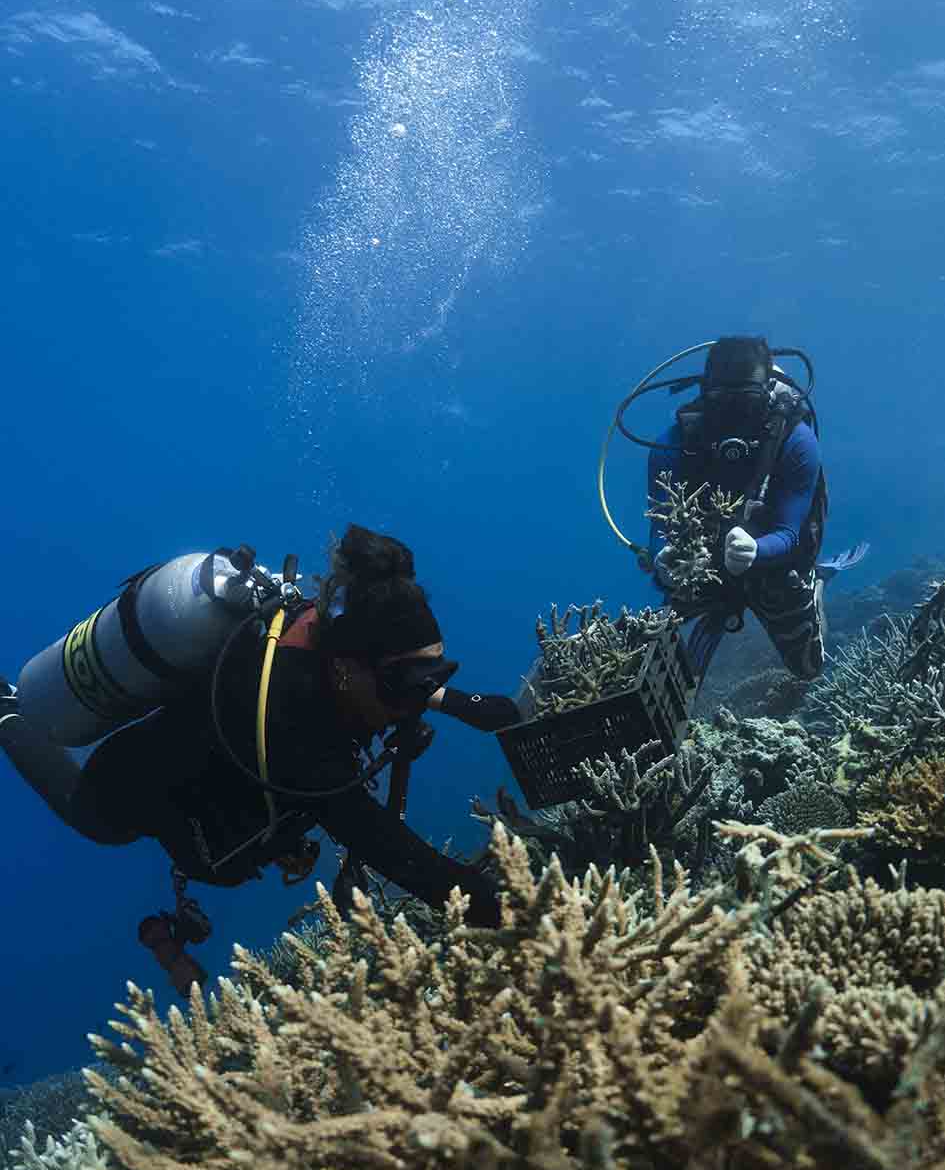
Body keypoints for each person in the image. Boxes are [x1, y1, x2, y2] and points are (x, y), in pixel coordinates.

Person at [0, 526, 520, 991]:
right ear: (345, 668)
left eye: (434, 677)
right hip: (138, 778)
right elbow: (410, 862)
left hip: (229, 752)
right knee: (95, 820)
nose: (416, 699)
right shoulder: (300, 741)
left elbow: (403, 669)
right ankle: (7, 713)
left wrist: (464, 702)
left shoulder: (338, 635)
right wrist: (526, 919)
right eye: (403, 687)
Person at [643, 335, 866, 680]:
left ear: (765, 393)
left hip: (774, 560)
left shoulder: (796, 440)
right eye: (721, 400)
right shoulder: (674, 445)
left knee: (808, 670)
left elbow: (791, 532)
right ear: (705, 393)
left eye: (745, 400)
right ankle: (719, 604)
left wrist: (756, 551)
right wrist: (664, 555)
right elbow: (659, 524)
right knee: (651, 643)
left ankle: (815, 581)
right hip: (704, 561)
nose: (733, 413)